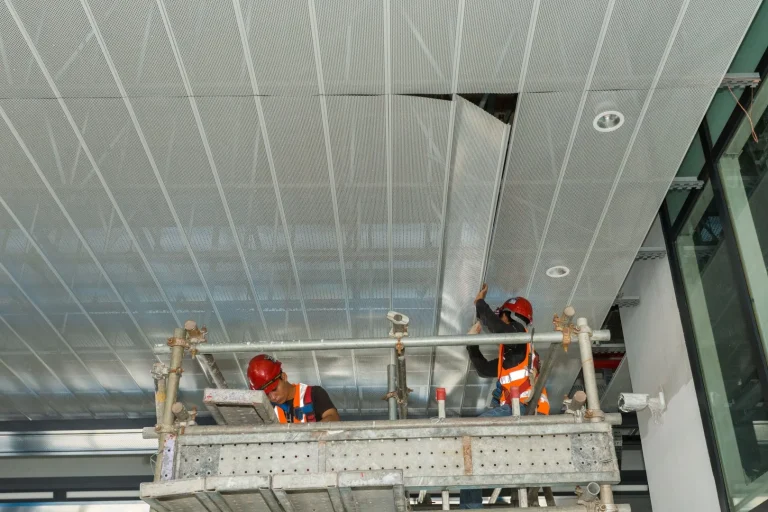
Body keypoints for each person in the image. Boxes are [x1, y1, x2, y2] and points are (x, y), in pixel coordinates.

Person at [460, 284, 549, 509]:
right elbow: (482, 369)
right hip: (515, 412)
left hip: (525, 411)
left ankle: (470, 507)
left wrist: (480, 304)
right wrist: (471, 343)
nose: (500, 319)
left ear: (511, 316)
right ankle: (472, 500)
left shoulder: (519, 339)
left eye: (503, 316)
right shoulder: (511, 354)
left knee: (471, 432)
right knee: (473, 450)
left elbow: (498, 329)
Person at [246, 354, 341, 423]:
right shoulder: (268, 408)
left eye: (274, 389)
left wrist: (312, 433)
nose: (273, 397)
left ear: (283, 377)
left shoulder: (314, 394)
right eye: (267, 394)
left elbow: (333, 417)